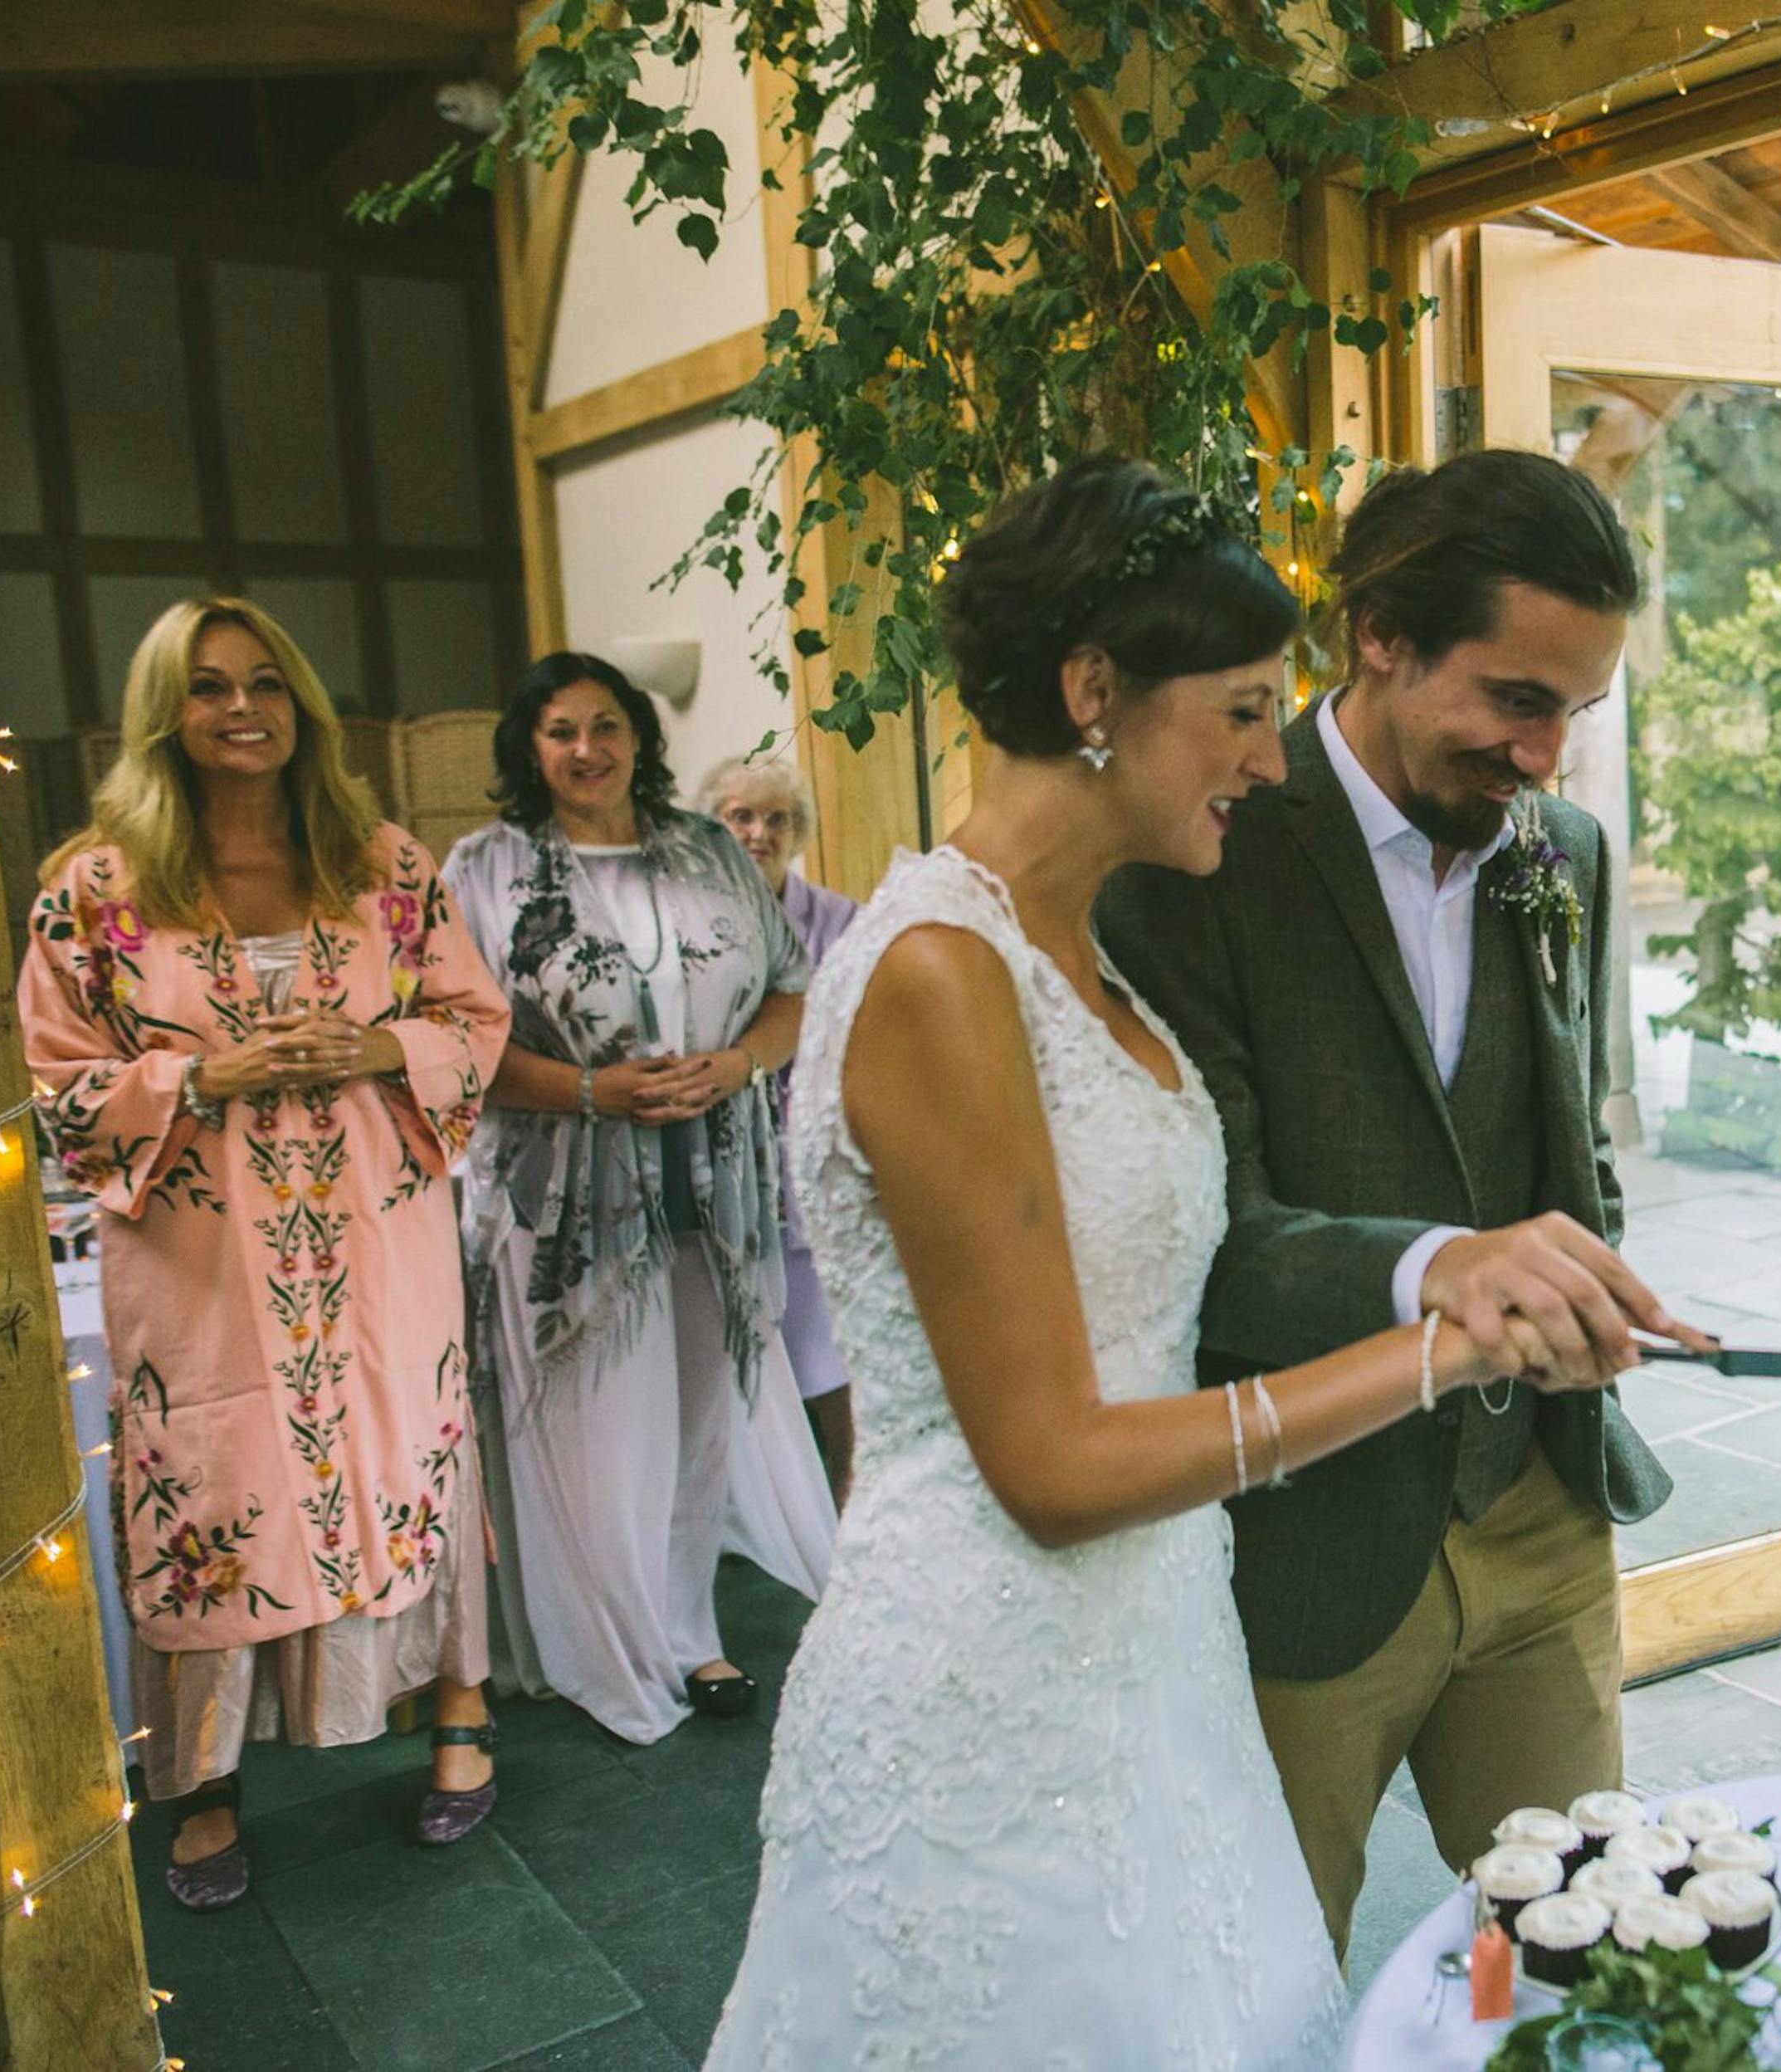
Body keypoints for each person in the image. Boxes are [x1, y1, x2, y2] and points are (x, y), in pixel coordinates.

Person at [702, 457, 1700, 2070]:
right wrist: (1446, 1320)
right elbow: (1059, 1443)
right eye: (1241, 708)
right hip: (1086, 1631)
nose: (1262, 751)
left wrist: (1575, 1296)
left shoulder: (1099, 938)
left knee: (1543, 1957)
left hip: (1229, 1606)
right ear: (1096, 689)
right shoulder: (1000, 955)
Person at [1097, 447, 1673, 1950]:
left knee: (1585, 1962)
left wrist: (1588, 1288)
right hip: (1313, 1541)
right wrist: (1448, 1268)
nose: (1545, 755)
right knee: (1273, 1980)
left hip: (1543, 1513)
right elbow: (1200, 1245)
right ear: (1381, 639)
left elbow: (1574, 1150)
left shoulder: (1566, 854)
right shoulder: (1194, 859)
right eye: (1516, 699)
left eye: (1576, 711)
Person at [17, 598, 513, 1909]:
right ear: (164, 713)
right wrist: (200, 1072)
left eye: (266, 685)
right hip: (200, 1254)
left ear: (302, 705)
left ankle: (458, 1707)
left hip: (379, 1233)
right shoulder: (97, 889)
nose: (243, 710)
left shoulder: (388, 863)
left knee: (406, 1443)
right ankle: (204, 1779)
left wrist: (381, 1046)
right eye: (208, 687)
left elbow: (474, 1014)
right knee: (214, 1471)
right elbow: (55, 1083)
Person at [443, 655, 834, 1746]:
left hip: (717, 1179)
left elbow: (796, 987)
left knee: (702, 1415)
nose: (585, 748)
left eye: (605, 725)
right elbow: (460, 1036)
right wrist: (586, 1089)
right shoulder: (485, 867)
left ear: (637, 739)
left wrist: (738, 1066)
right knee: (596, 1427)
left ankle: (689, 1628)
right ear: (530, 747)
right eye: (560, 729)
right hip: (565, 1196)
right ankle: (601, 1644)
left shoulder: (708, 849)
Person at [698, 757, 857, 1506]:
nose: (759, 832)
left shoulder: (839, 921)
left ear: (799, 832)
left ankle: (852, 1501)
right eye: (741, 816)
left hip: (810, 1154)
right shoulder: (687, 921)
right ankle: (744, 1520)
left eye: (777, 819)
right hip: (714, 1157)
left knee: (830, 1360)